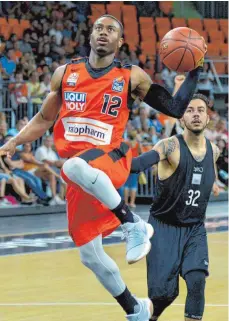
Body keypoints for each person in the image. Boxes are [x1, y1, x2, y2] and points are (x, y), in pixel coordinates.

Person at [0, 15, 206, 321]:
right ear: (90, 34)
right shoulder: (65, 72)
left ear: (120, 42)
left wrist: (196, 69)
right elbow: (44, 119)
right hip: (81, 176)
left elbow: (175, 108)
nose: (103, 33)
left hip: (111, 159)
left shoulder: (131, 76)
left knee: (72, 166)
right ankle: (134, 309)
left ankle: (132, 223)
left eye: (111, 29)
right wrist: (14, 142)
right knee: (90, 255)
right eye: (99, 27)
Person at [141, 93, 220, 321]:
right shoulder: (169, 146)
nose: (196, 114)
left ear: (207, 118)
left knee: (197, 280)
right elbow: (143, 162)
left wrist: (212, 183)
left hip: (194, 227)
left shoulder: (213, 150)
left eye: (200, 111)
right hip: (163, 227)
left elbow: (205, 173)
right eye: (190, 110)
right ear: (181, 118)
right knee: (163, 296)